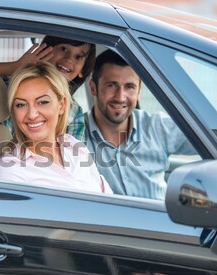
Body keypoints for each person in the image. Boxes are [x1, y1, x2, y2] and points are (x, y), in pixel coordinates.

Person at [83, 49, 197, 200]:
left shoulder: (157, 127)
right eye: (111, 85)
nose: (120, 97)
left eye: (129, 87)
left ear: (139, 90)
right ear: (93, 88)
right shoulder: (74, 134)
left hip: (158, 223)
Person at [0, 62, 112, 194]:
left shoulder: (75, 147)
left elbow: (109, 199)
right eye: (21, 105)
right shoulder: (12, 167)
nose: (32, 114)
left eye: (43, 102)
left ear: (61, 105)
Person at [0, 36, 96, 140]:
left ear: (62, 105)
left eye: (78, 57)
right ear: (44, 51)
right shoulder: (6, 85)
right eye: (63, 49)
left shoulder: (74, 112)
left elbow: (73, 159)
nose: (69, 59)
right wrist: (14, 67)